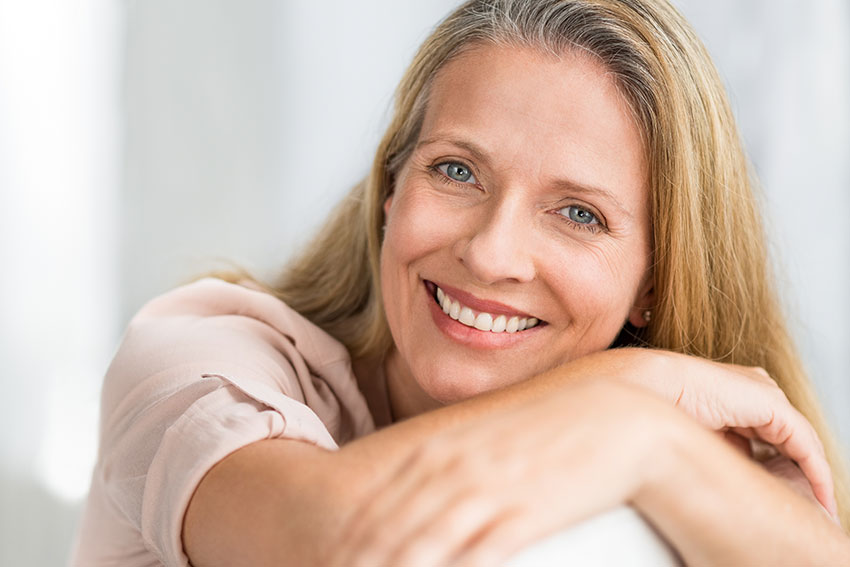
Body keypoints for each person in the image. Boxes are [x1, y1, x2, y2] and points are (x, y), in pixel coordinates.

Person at [72, 0, 850, 565]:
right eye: (456, 170)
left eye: (578, 214)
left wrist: (646, 439)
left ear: (657, 278)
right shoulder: (198, 361)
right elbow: (343, 545)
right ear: (390, 187)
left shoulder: (666, 435)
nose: (491, 253)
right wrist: (628, 408)